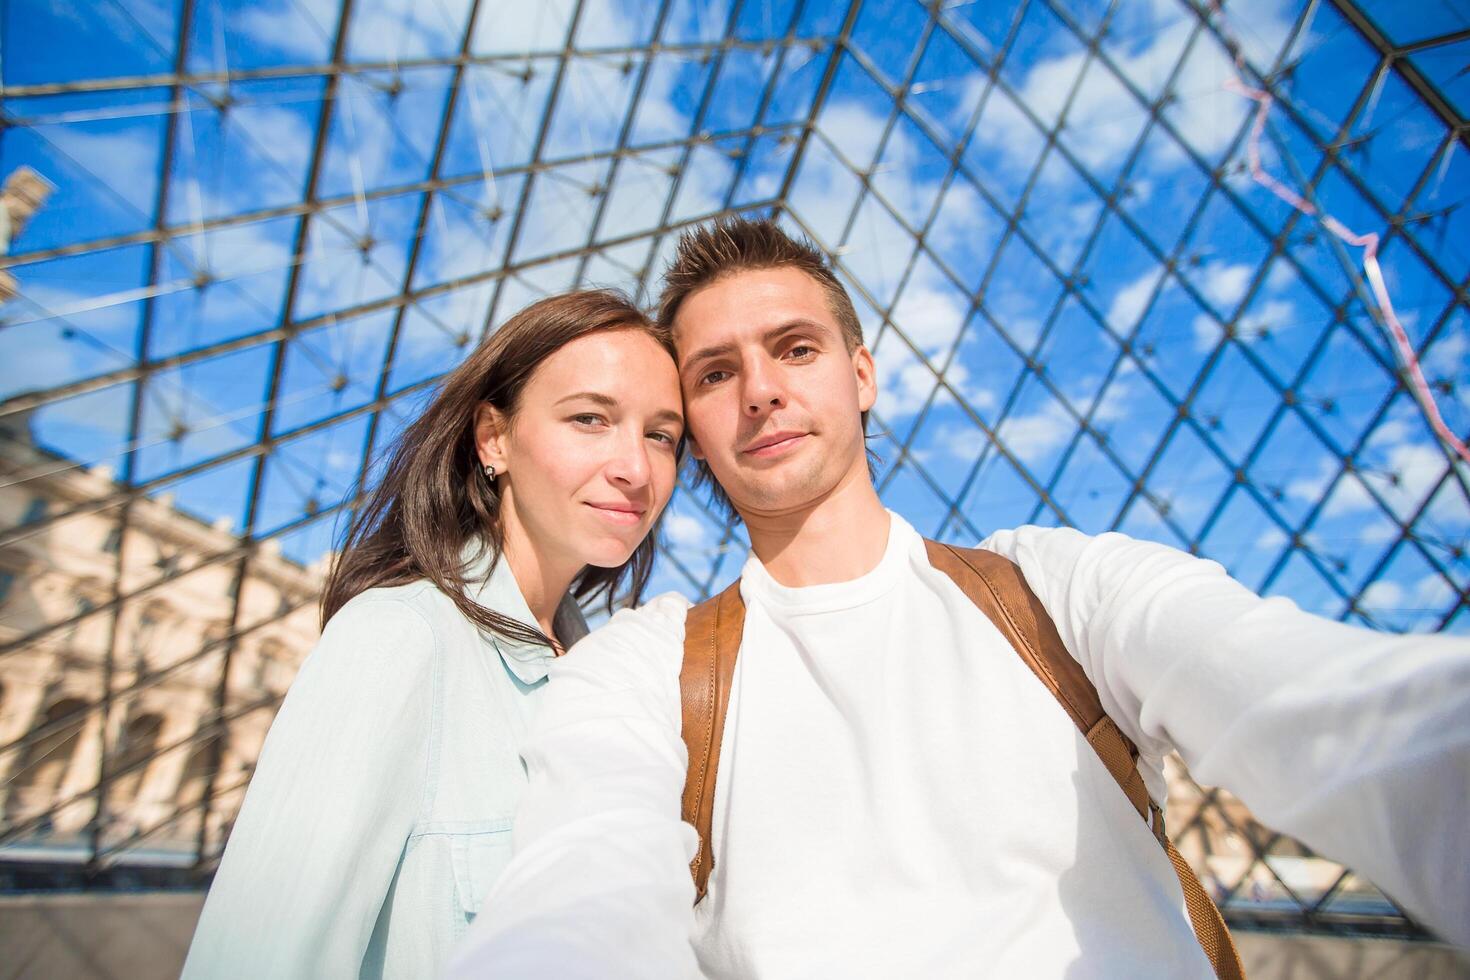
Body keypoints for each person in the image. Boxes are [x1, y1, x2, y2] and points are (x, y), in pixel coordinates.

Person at [449, 218, 1470, 978]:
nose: (760, 387)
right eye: (715, 372)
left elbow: (1318, 701)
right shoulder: (642, 668)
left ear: (863, 374)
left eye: (794, 348)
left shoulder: (1056, 590)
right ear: (696, 426)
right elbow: (579, 897)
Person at [180, 289, 685, 979]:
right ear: (493, 438)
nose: (636, 467)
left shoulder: (611, 674)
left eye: (662, 434)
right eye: (589, 418)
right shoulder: (398, 638)